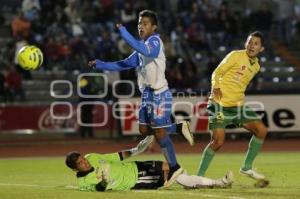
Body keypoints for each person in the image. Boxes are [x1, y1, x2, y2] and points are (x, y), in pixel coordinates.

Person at [88, 10, 193, 187]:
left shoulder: (154, 42)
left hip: (159, 93)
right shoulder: (141, 48)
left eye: (145, 23)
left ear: (154, 27)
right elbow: (124, 64)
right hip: (147, 95)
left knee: (160, 133)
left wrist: (124, 33)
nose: (140, 26)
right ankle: (178, 126)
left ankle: (174, 167)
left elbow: (145, 51)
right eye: (139, 23)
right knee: (144, 130)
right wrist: (101, 64)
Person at [197, 31, 269, 184]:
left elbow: (239, 84)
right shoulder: (235, 55)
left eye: (256, 44)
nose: (251, 46)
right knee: (218, 142)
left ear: (261, 49)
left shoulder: (256, 66)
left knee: (261, 130)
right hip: (219, 104)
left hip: (237, 106)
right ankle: (199, 176)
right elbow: (217, 72)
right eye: (250, 42)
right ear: (245, 44)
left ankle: (246, 167)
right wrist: (216, 86)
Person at [65, 136, 233, 191]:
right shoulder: (82, 182)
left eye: (83, 159)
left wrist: (137, 149)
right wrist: (104, 180)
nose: (85, 162)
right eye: (81, 163)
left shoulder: (92, 156)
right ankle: (218, 182)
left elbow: (117, 156)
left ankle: (196, 183)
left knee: (174, 169)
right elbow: (99, 189)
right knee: (177, 175)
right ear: (75, 169)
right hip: (136, 181)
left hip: (136, 166)